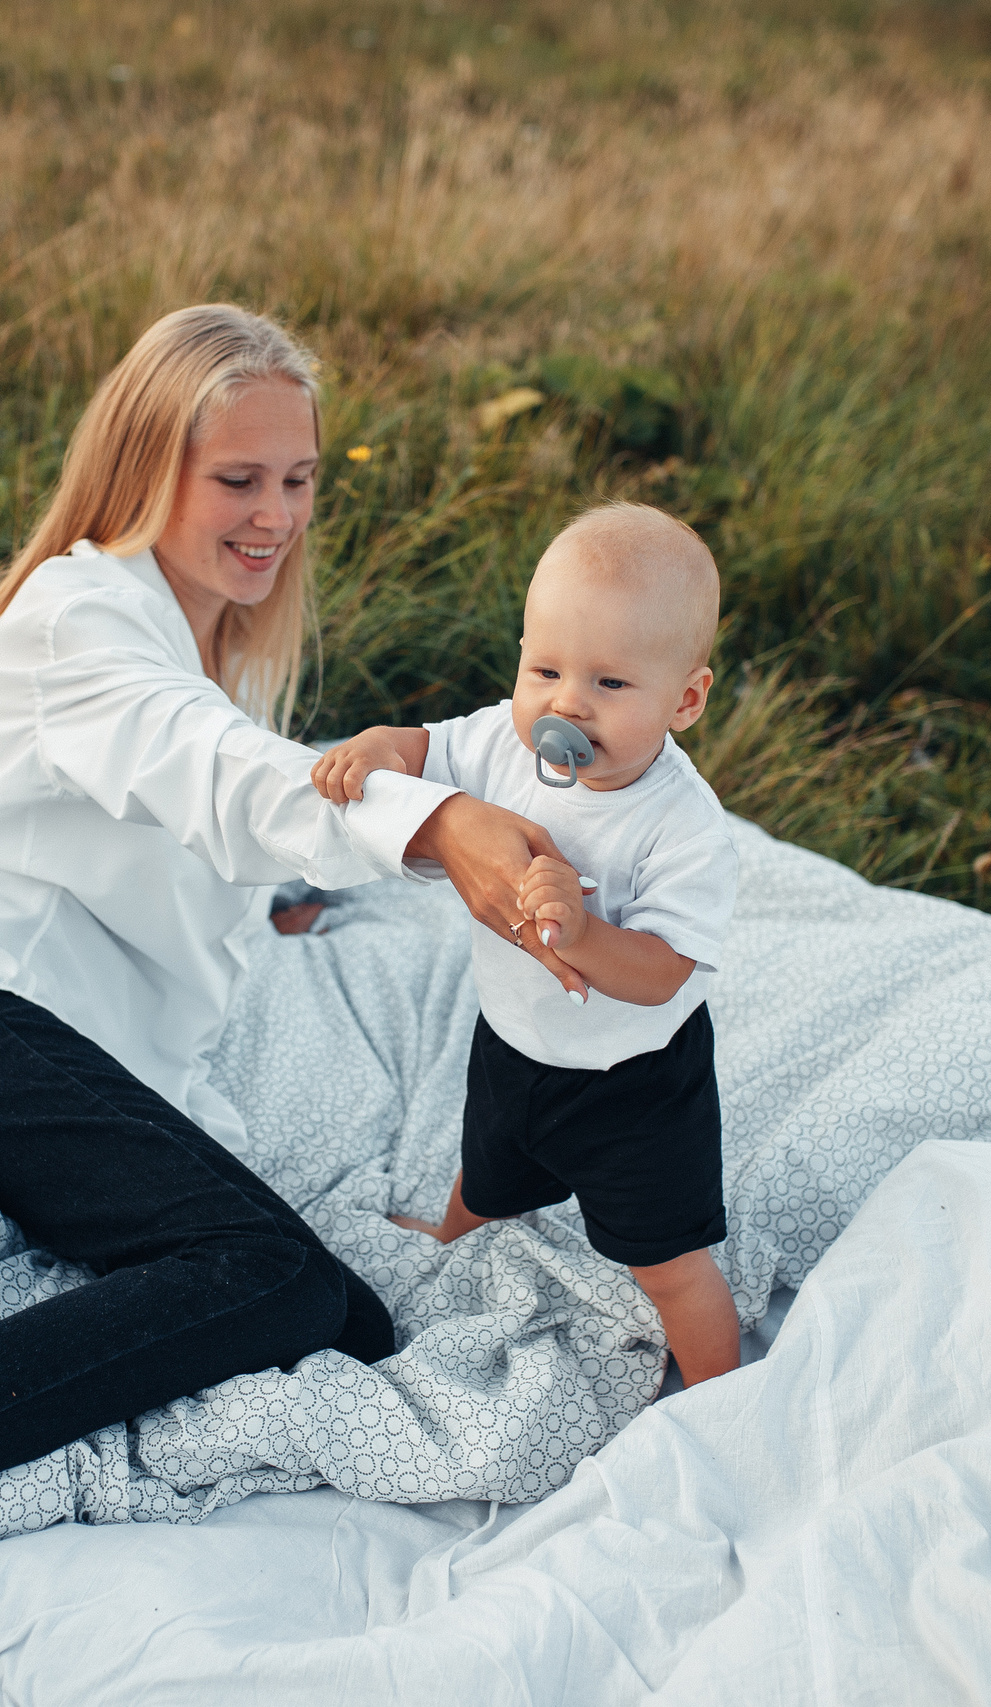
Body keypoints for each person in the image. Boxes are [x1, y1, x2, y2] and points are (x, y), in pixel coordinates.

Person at [0, 305, 596, 1697]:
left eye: (298, 477)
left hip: (83, 1052)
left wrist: (303, 884)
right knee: (271, 1276)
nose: (275, 513)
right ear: (146, 464)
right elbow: (212, 768)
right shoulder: (83, 614)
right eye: (238, 478)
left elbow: (226, 811)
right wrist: (435, 825)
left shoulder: (206, 633)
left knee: (338, 1316)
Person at [310, 502, 744, 1391]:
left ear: (685, 699)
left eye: (610, 685)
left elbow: (663, 974)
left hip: (635, 1087)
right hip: (514, 1040)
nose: (564, 704)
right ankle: (453, 1236)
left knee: (669, 1263)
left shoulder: (684, 828)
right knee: (490, 1165)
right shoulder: (505, 747)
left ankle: (716, 1391)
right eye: (543, 667)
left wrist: (584, 933)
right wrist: (384, 745)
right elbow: (431, 750)